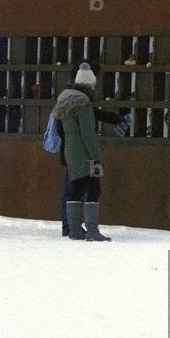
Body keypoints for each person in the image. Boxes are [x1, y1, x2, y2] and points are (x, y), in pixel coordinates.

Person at [56, 59, 127, 237]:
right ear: (90, 84)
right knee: (94, 188)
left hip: (70, 152)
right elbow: (88, 133)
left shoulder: (65, 100)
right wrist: (96, 158)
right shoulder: (84, 102)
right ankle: (92, 231)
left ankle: (73, 230)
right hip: (85, 154)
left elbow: (61, 129)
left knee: (76, 188)